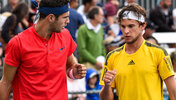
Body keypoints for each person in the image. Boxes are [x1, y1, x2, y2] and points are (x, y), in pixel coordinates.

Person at [0, 0, 86, 100]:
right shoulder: (18, 43)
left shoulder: (65, 35)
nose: (68, 21)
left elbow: (71, 64)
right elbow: (6, 83)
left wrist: (73, 72)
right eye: (65, 17)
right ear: (51, 18)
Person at [99, 3, 176, 100]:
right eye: (123, 26)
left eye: (131, 26)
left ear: (143, 26)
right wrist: (106, 86)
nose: (126, 31)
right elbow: (105, 99)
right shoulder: (112, 56)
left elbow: (174, 93)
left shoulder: (159, 52)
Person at [77, 6, 106, 72]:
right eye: (102, 15)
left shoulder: (100, 28)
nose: (103, 17)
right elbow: (82, 50)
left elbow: (102, 46)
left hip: (100, 64)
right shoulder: (83, 29)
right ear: (95, 16)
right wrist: (95, 62)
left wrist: (105, 60)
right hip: (87, 65)